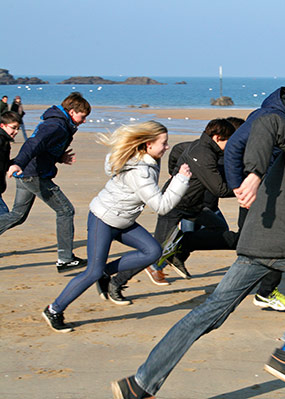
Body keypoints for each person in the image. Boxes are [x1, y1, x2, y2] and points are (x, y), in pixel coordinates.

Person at [111, 89, 285, 397]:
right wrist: (254, 174)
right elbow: (268, 125)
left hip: (258, 243)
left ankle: (139, 384)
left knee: (207, 315)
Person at [42, 121, 191, 332]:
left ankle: (104, 273)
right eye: (164, 143)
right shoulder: (140, 171)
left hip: (124, 221)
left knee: (152, 251)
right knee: (91, 272)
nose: (167, 147)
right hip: (103, 220)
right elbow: (161, 206)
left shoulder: (147, 161)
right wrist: (181, 181)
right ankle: (54, 309)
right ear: (148, 145)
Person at [105, 118, 235, 298]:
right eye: (230, 141)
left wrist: (174, 171)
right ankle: (116, 282)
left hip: (194, 206)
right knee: (154, 252)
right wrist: (247, 188)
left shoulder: (201, 146)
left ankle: (179, 250)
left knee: (219, 228)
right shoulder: (204, 154)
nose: (231, 146)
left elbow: (177, 150)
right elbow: (219, 189)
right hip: (174, 205)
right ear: (218, 137)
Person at [223, 76, 285, 311]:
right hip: (259, 192)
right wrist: (239, 186)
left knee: (257, 245)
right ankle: (263, 293)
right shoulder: (268, 116)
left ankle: (254, 291)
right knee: (275, 242)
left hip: (273, 191)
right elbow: (234, 146)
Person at [1, 92, 91, 273]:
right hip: (33, 174)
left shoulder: (61, 123)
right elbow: (33, 143)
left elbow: (45, 147)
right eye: (83, 116)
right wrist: (18, 163)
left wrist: (59, 156)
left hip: (29, 172)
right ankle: (65, 259)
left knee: (18, 215)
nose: (84, 121)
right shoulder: (55, 125)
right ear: (72, 112)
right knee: (65, 210)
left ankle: (65, 258)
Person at [0, 111, 21, 214]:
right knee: (4, 217)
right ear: (2, 125)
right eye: (13, 127)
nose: (16, 131)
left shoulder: (5, 142)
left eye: (18, 128)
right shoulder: (1, 140)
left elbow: (4, 163)